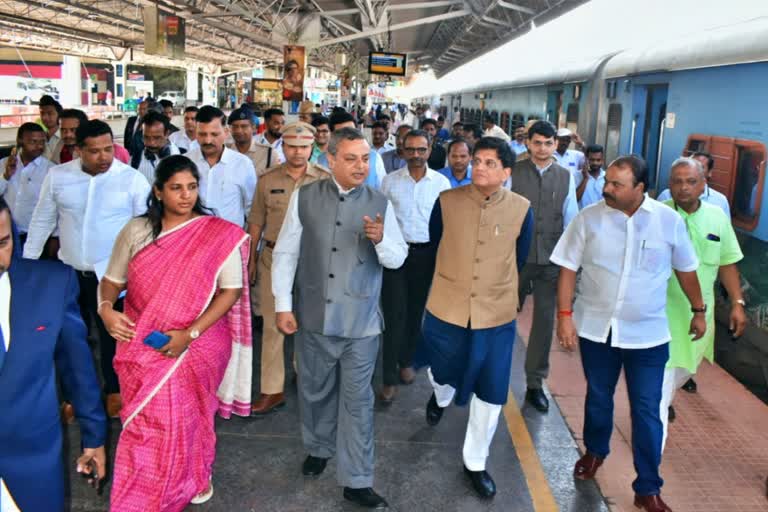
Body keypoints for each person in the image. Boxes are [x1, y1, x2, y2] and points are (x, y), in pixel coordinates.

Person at [551, 154, 706, 512]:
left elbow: (686, 269)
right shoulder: (589, 219)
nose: (606, 188)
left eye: (616, 184)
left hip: (648, 336)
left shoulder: (667, 222)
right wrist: (564, 316)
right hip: (596, 329)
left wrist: (699, 310)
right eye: (607, 181)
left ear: (640, 188)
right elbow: (568, 268)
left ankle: (647, 487)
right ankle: (595, 451)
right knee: (599, 396)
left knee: (648, 410)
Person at [99, 155, 252, 510]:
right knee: (152, 422)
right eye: (176, 188)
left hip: (200, 341)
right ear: (158, 191)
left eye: (192, 187)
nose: (185, 196)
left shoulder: (216, 232)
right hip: (144, 342)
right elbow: (111, 282)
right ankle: (148, 489)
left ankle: (194, 475)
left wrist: (190, 335)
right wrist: (106, 310)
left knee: (191, 416)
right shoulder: (137, 231)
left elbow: (231, 291)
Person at [271, 127, 407, 509]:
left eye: (365, 159)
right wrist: (283, 304)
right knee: (313, 391)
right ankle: (318, 447)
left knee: (358, 402)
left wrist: (381, 239)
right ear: (329, 160)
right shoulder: (306, 197)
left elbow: (398, 259)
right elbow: (286, 254)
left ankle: (357, 479)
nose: (360, 166)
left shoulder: (381, 201)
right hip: (314, 316)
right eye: (351, 159)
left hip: (362, 323)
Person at [416, 137, 533, 498]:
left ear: (506, 173)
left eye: (490, 163)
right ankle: (441, 394)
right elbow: (435, 243)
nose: (480, 168)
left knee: (492, 387)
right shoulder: (447, 202)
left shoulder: (521, 208)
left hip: (495, 313)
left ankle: (475, 461)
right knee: (440, 367)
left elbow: (521, 255)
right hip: (447, 306)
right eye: (477, 161)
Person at [24, 120, 151, 418]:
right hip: (69, 274)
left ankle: (115, 393)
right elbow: (42, 221)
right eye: (94, 151)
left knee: (114, 339)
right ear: (77, 150)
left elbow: (147, 233)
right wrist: (27, 266)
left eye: (108, 149)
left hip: (114, 278)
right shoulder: (57, 177)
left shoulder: (131, 180)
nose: (104, 157)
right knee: (70, 338)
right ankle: (72, 397)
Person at [0, 197, 107, 511]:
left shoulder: (51, 284)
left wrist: (94, 437)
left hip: (32, 458)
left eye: (2, 242)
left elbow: (78, 368)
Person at [659, 157, 746, 444]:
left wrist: (737, 303)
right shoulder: (658, 215)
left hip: (699, 316)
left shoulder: (717, 217)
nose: (683, 188)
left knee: (682, 373)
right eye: (677, 182)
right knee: (660, 383)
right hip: (660, 314)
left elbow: (727, 263)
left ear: (703, 184)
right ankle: (651, 451)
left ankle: (658, 407)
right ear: (669, 185)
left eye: (691, 181)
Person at [248, 122, 331, 415]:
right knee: (272, 326)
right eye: (292, 146)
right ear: (283, 147)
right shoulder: (267, 180)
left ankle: (306, 379)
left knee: (309, 324)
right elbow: (256, 221)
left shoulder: (325, 180)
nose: (298, 152)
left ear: (313, 148)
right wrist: (251, 262)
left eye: (304, 146)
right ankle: (272, 390)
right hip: (272, 259)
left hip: (312, 262)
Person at [379, 130, 451, 402]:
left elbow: (447, 224)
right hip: (397, 254)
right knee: (394, 314)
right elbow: (382, 219)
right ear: (402, 150)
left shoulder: (442, 184)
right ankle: (388, 378)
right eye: (410, 150)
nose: (416, 155)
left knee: (415, 312)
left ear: (430, 149)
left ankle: (406, 360)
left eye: (421, 150)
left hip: (426, 254)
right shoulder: (389, 183)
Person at [512, 120, 578, 413]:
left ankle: (534, 384)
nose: (542, 149)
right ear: (528, 143)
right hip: (516, 258)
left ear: (555, 145)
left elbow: (571, 220)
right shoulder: (512, 172)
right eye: (537, 143)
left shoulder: (566, 177)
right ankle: (491, 373)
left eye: (548, 143)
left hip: (551, 260)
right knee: (501, 315)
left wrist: (569, 263)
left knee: (543, 323)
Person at [186, 106, 257, 228]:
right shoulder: (185, 162)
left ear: (226, 132)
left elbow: (251, 209)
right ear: (196, 134)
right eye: (202, 134)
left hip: (231, 241)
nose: (208, 140)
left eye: (214, 134)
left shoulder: (242, 164)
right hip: (192, 238)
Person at [0, 123, 53, 243]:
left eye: (42, 142)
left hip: (34, 236)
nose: (39, 146)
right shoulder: (3, 164)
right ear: (20, 141)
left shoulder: (50, 170)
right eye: (33, 142)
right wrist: (5, 176)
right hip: (6, 233)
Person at [318, 112, 386, 189]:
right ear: (332, 135)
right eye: (342, 134)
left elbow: (381, 191)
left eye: (352, 132)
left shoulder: (375, 158)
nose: (349, 137)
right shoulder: (321, 161)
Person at [657, 151, 730, 218]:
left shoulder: (720, 201)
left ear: (709, 172)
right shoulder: (666, 196)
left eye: (700, 167)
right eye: (689, 164)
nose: (684, 188)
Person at [131, 110, 180, 183]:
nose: (151, 143)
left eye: (157, 138)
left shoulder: (179, 158)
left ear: (167, 134)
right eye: (146, 137)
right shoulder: (136, 158)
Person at [226, 106, 277, 176]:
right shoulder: (224, 152)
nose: (238, 130)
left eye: (244, 126)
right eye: (235, 126)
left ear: (254, 128)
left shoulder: (269, 153)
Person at [575, 144, 606, 209]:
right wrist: (585, 178)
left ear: (602, 160)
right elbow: (574, 200)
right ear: (586, 159)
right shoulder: (576, 176)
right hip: (582, 218)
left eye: (598, 160)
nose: (595, 163)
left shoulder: (607, 177)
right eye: (592, 160)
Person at [39, 95, 62, 160]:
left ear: (59, 114)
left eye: (50, 113)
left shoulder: (65, 138)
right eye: (42, 113)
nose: (44, 117)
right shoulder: (40, 138)